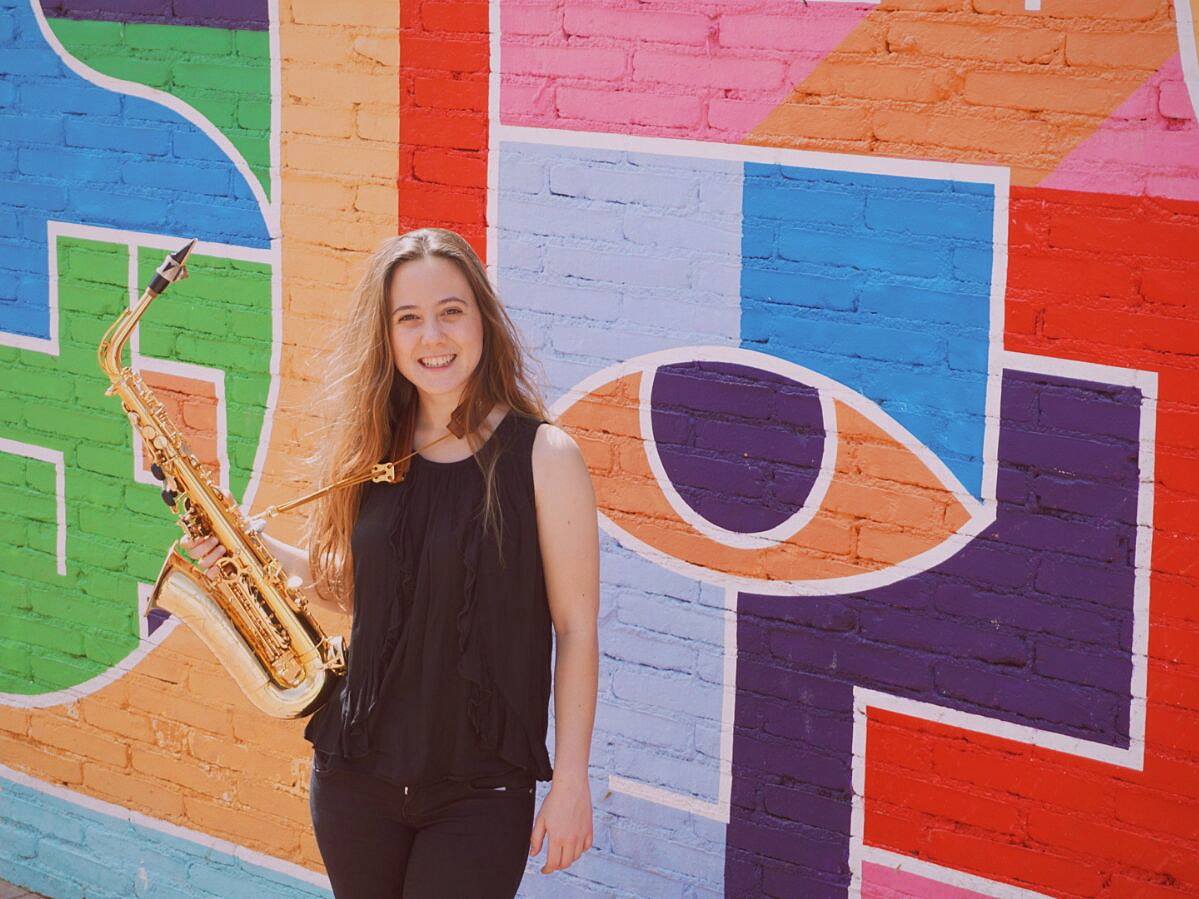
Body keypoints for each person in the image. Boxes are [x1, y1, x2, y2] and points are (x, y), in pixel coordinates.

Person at [181, 228, 600, 897]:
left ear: (482, 319)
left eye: (450, 311)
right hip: (354, 777)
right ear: (387, 334)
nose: (432, 336)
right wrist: (246, 551)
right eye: (408, 318)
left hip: (480, 792)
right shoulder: (374, 446)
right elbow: (358, 592)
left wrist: (572, 778)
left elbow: (575, 628)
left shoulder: (545, 457)